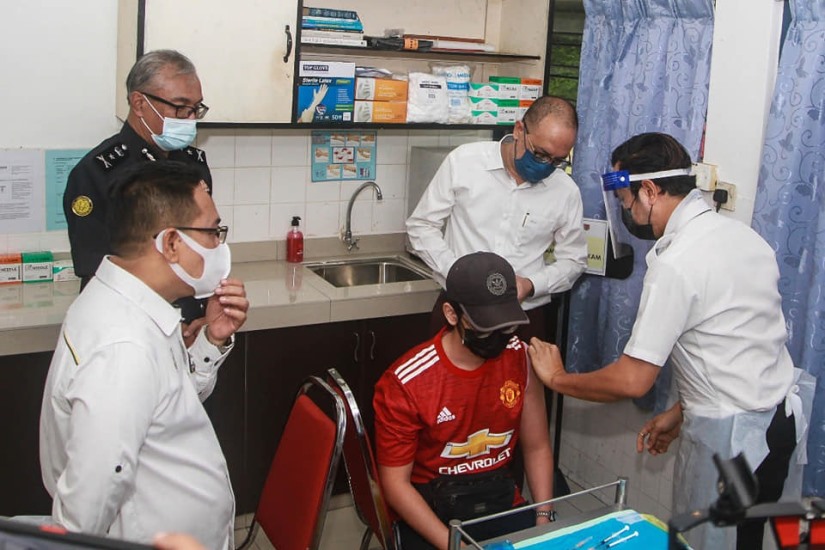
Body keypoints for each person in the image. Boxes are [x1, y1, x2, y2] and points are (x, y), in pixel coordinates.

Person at [528, 132, 812, 550]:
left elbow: (632, 380)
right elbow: (735, 346)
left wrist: (557, 379)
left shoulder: (677, 263)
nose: (627, 213)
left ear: (649, 190)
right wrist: (681, 411)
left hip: (732, 442)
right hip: (778, 425)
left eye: (626, 202)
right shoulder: (741, 236)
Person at [40, 161, 248, 549]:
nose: (220, 246)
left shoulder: (130, 303)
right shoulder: (124, 346)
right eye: (212, 232)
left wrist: (210, 340)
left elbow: (165, 407)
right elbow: (88, 503)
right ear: (171, 243)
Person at [373, 252, 555, 550]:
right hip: (430, 508)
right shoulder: (407, 383)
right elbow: (395, 485)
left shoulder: (520, 359)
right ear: (451, 314)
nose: (498, 336)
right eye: (485, 325)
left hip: (497, 497)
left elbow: (537, 447)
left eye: (506, 326)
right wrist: (455, 546)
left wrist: (544, 521)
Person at [406, 95, 587, 341]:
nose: (546, 165)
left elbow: (574, 260)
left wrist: (531, 285)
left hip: (523, 317)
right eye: (540, 154)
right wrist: (457, 273)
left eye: (557, 161)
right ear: (519, 129)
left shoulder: (565, 191)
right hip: (460, 312)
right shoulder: (465, 161)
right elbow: (422, 225)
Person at [64, 49, 211, 324]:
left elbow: (202, 248)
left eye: (196, 108)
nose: (191, 119)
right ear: (140, 103)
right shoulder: (97, 173)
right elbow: (96, 270)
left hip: (192, 317)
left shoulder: (193, 165)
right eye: (181, 108)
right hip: (130, 322)